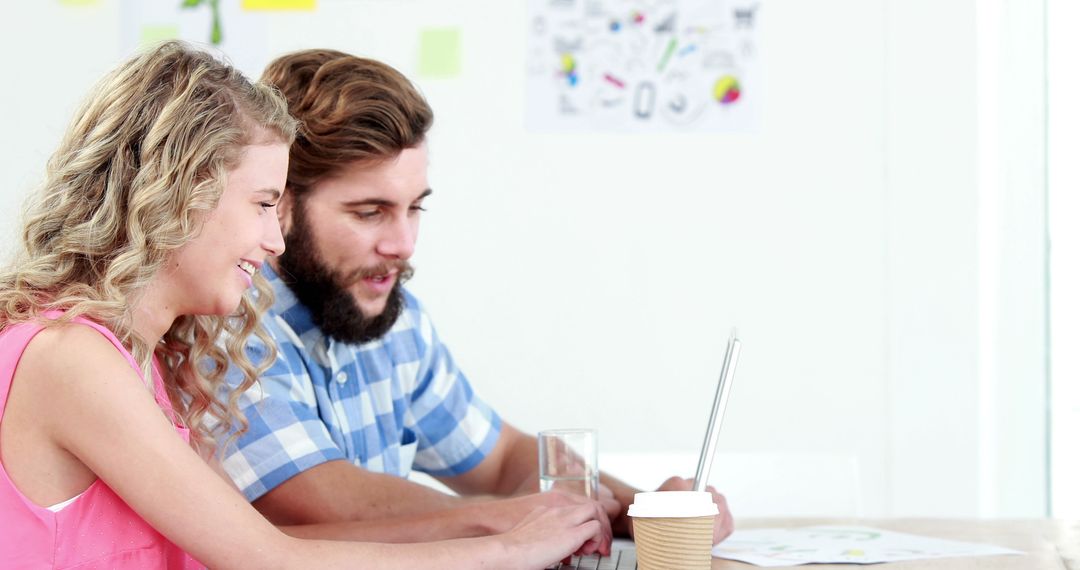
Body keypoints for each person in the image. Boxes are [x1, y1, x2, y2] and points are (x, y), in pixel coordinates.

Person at [0, 41, 607, 569]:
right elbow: (269, 558)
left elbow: (262, 542)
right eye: (263, 203)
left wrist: (523, 526)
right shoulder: (70, 360)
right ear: (178, 197)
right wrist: (507, 547)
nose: (276, 238)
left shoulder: (150, 362)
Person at [216, 48, 735, 545]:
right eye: (370, 212)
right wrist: (517, 520)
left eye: (414, 208)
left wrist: (643, 510)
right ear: (279, 203)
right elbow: (315, 496)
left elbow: (504, 458)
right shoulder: (231, 325)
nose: (403, 244)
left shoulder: (394, 323)